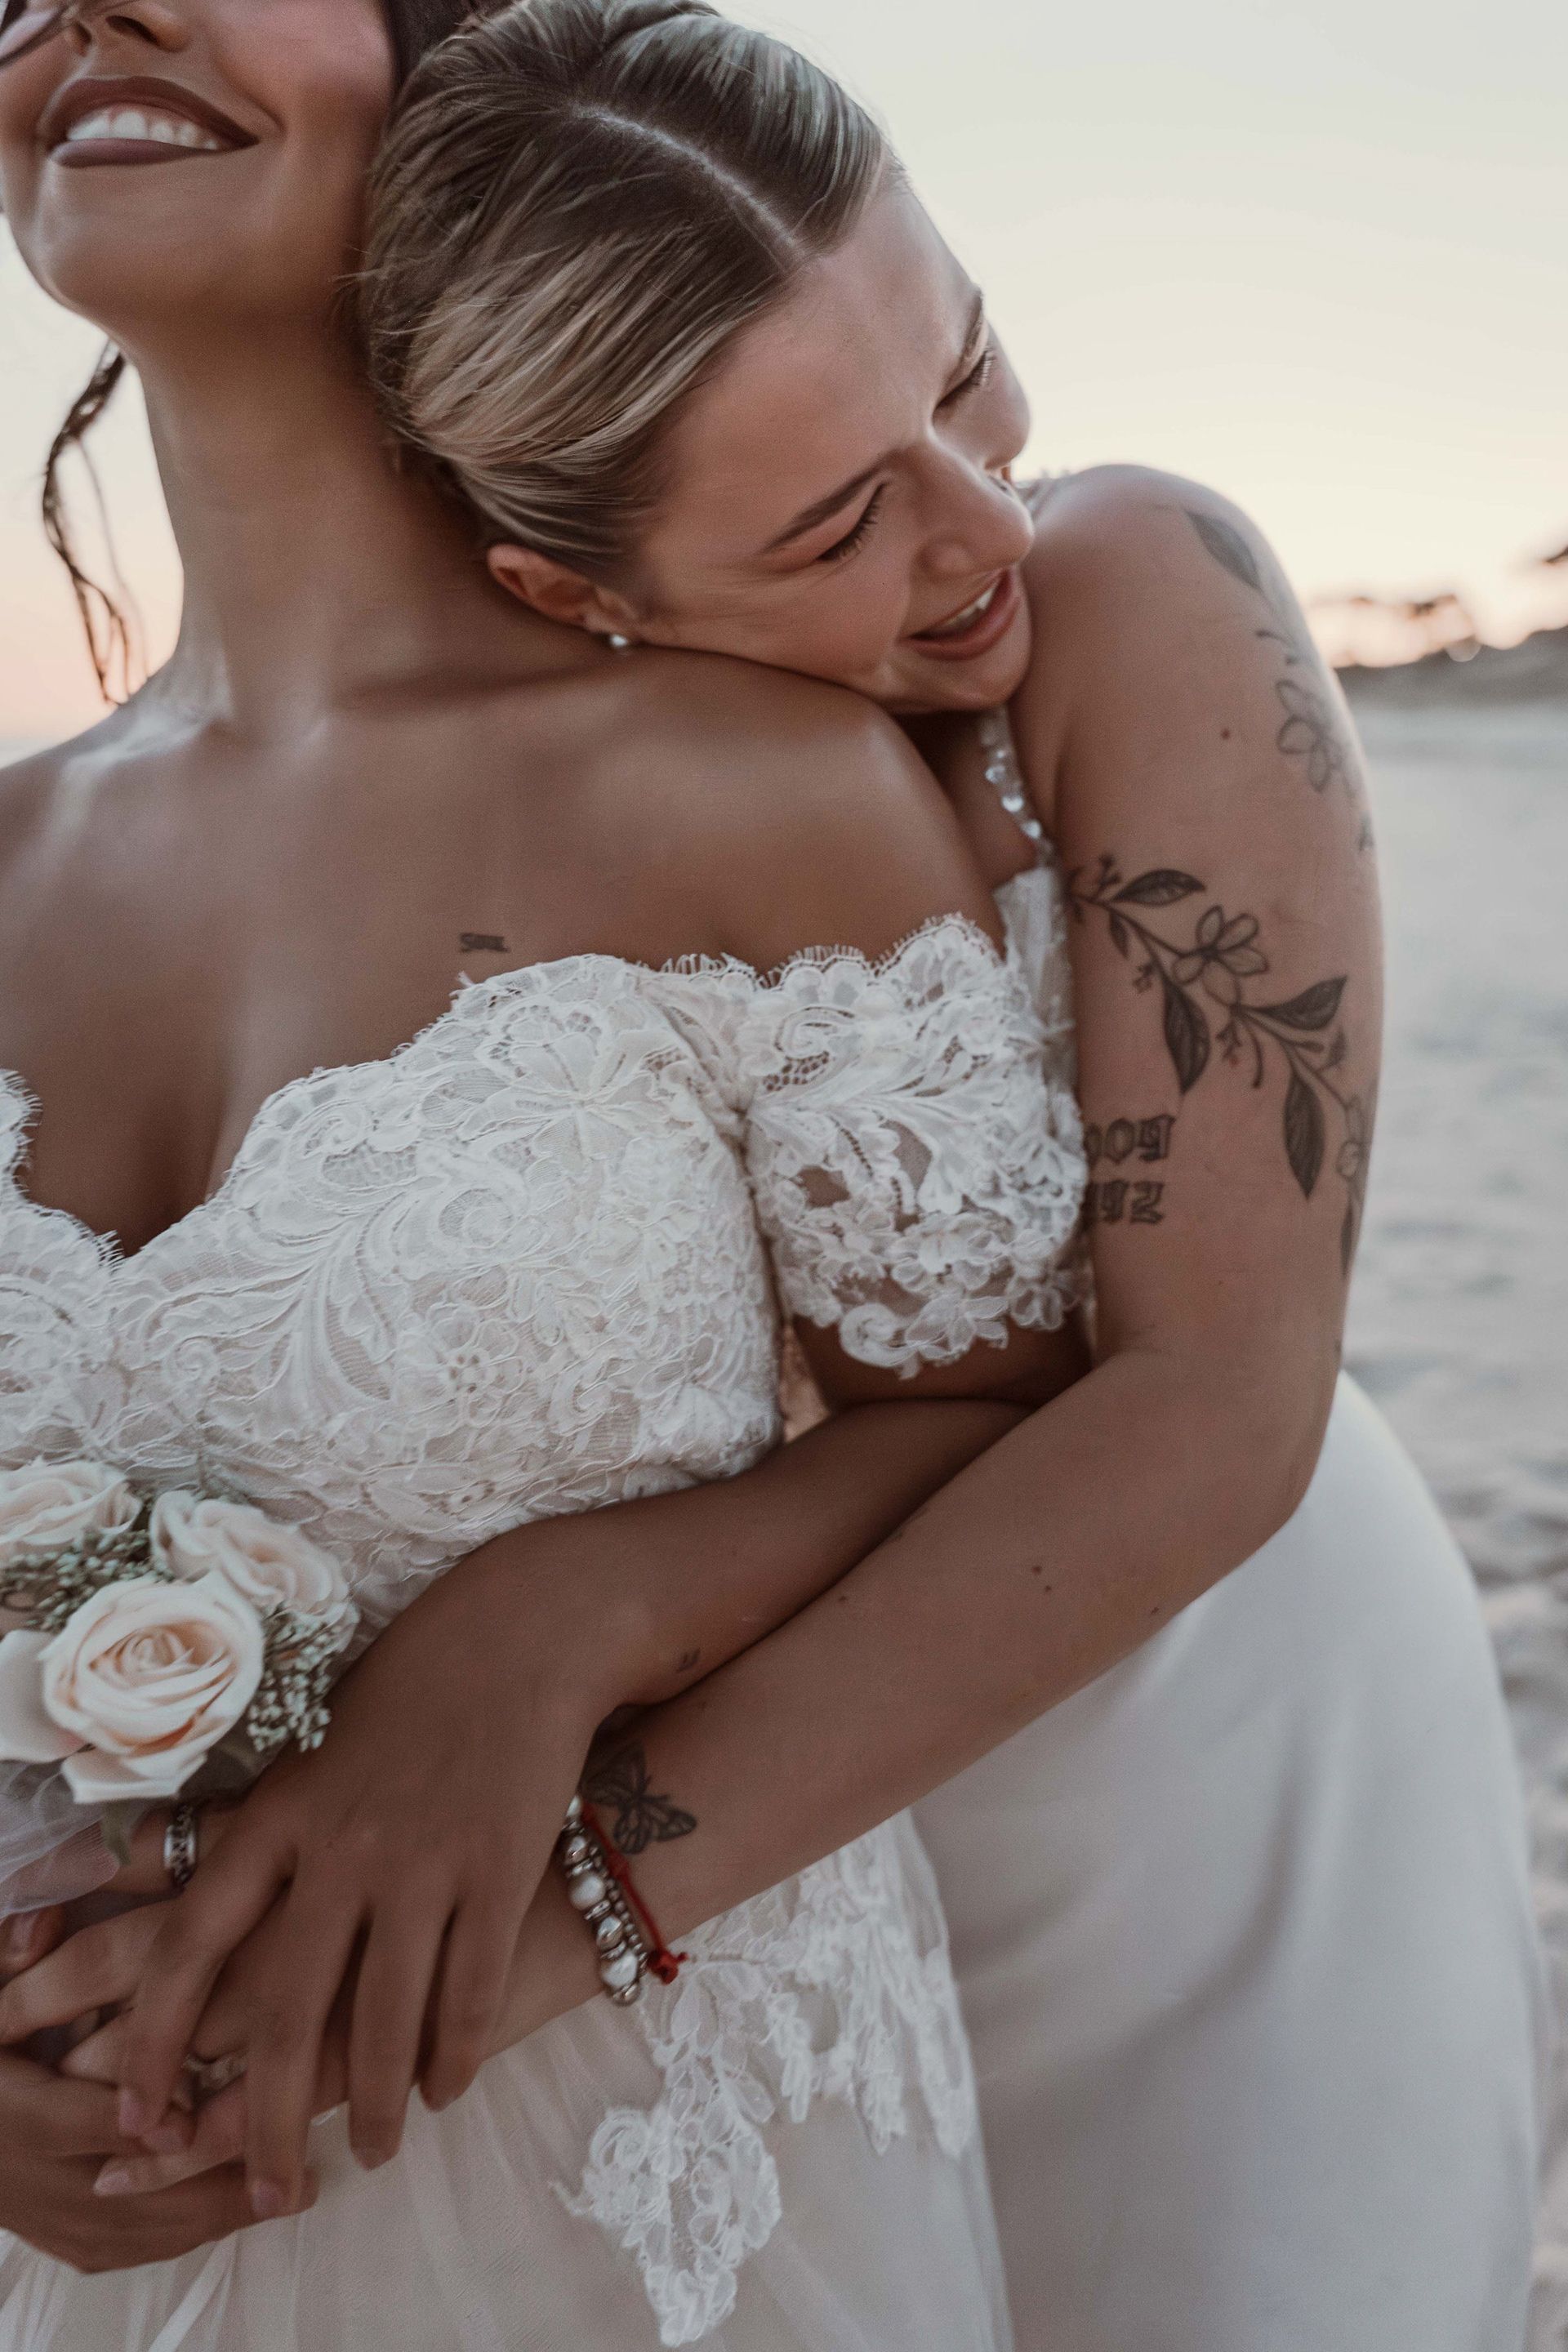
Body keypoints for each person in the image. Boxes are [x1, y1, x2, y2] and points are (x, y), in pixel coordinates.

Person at [0, 3, 1545, 2349]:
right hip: (690, 1804)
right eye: (831, 520)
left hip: (1174, 1694)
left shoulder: (1106, 597)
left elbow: (1207, 1398)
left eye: (977, 373)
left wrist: (556, 1741)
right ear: (579, 584)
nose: (983, 529)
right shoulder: (129, 832)